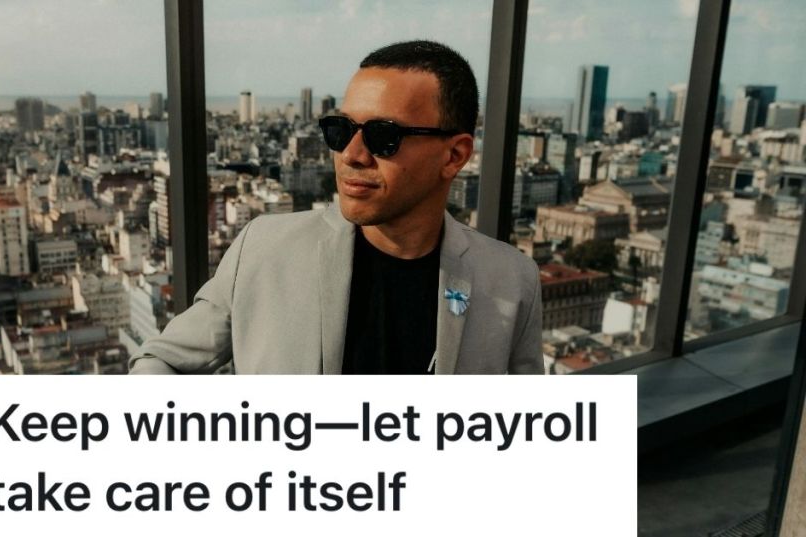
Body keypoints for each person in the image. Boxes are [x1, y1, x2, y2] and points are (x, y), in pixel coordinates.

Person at [129, 40, 543, 375]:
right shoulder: (265, 248)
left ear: (454, 156)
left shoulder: (510, 280)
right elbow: (160, 362)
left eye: (384, 136)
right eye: (340, 130)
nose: (351, 154)